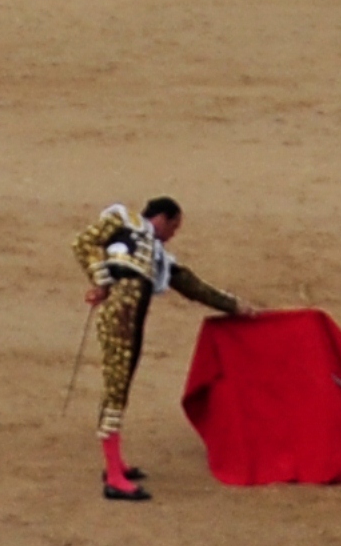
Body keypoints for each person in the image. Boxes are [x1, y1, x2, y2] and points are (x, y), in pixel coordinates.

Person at [75, 193, 241, 501]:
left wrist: (234, 307)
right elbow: (82, 242)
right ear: (163, 218)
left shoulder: (158, 255)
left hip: (130, 318)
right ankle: (113, 478)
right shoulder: (122, 220)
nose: (173, 235)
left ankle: (116, 465)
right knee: (116, 389)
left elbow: (191, 285)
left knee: (120, 388)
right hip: (119, 317)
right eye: (174, 227)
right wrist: (102, 281)